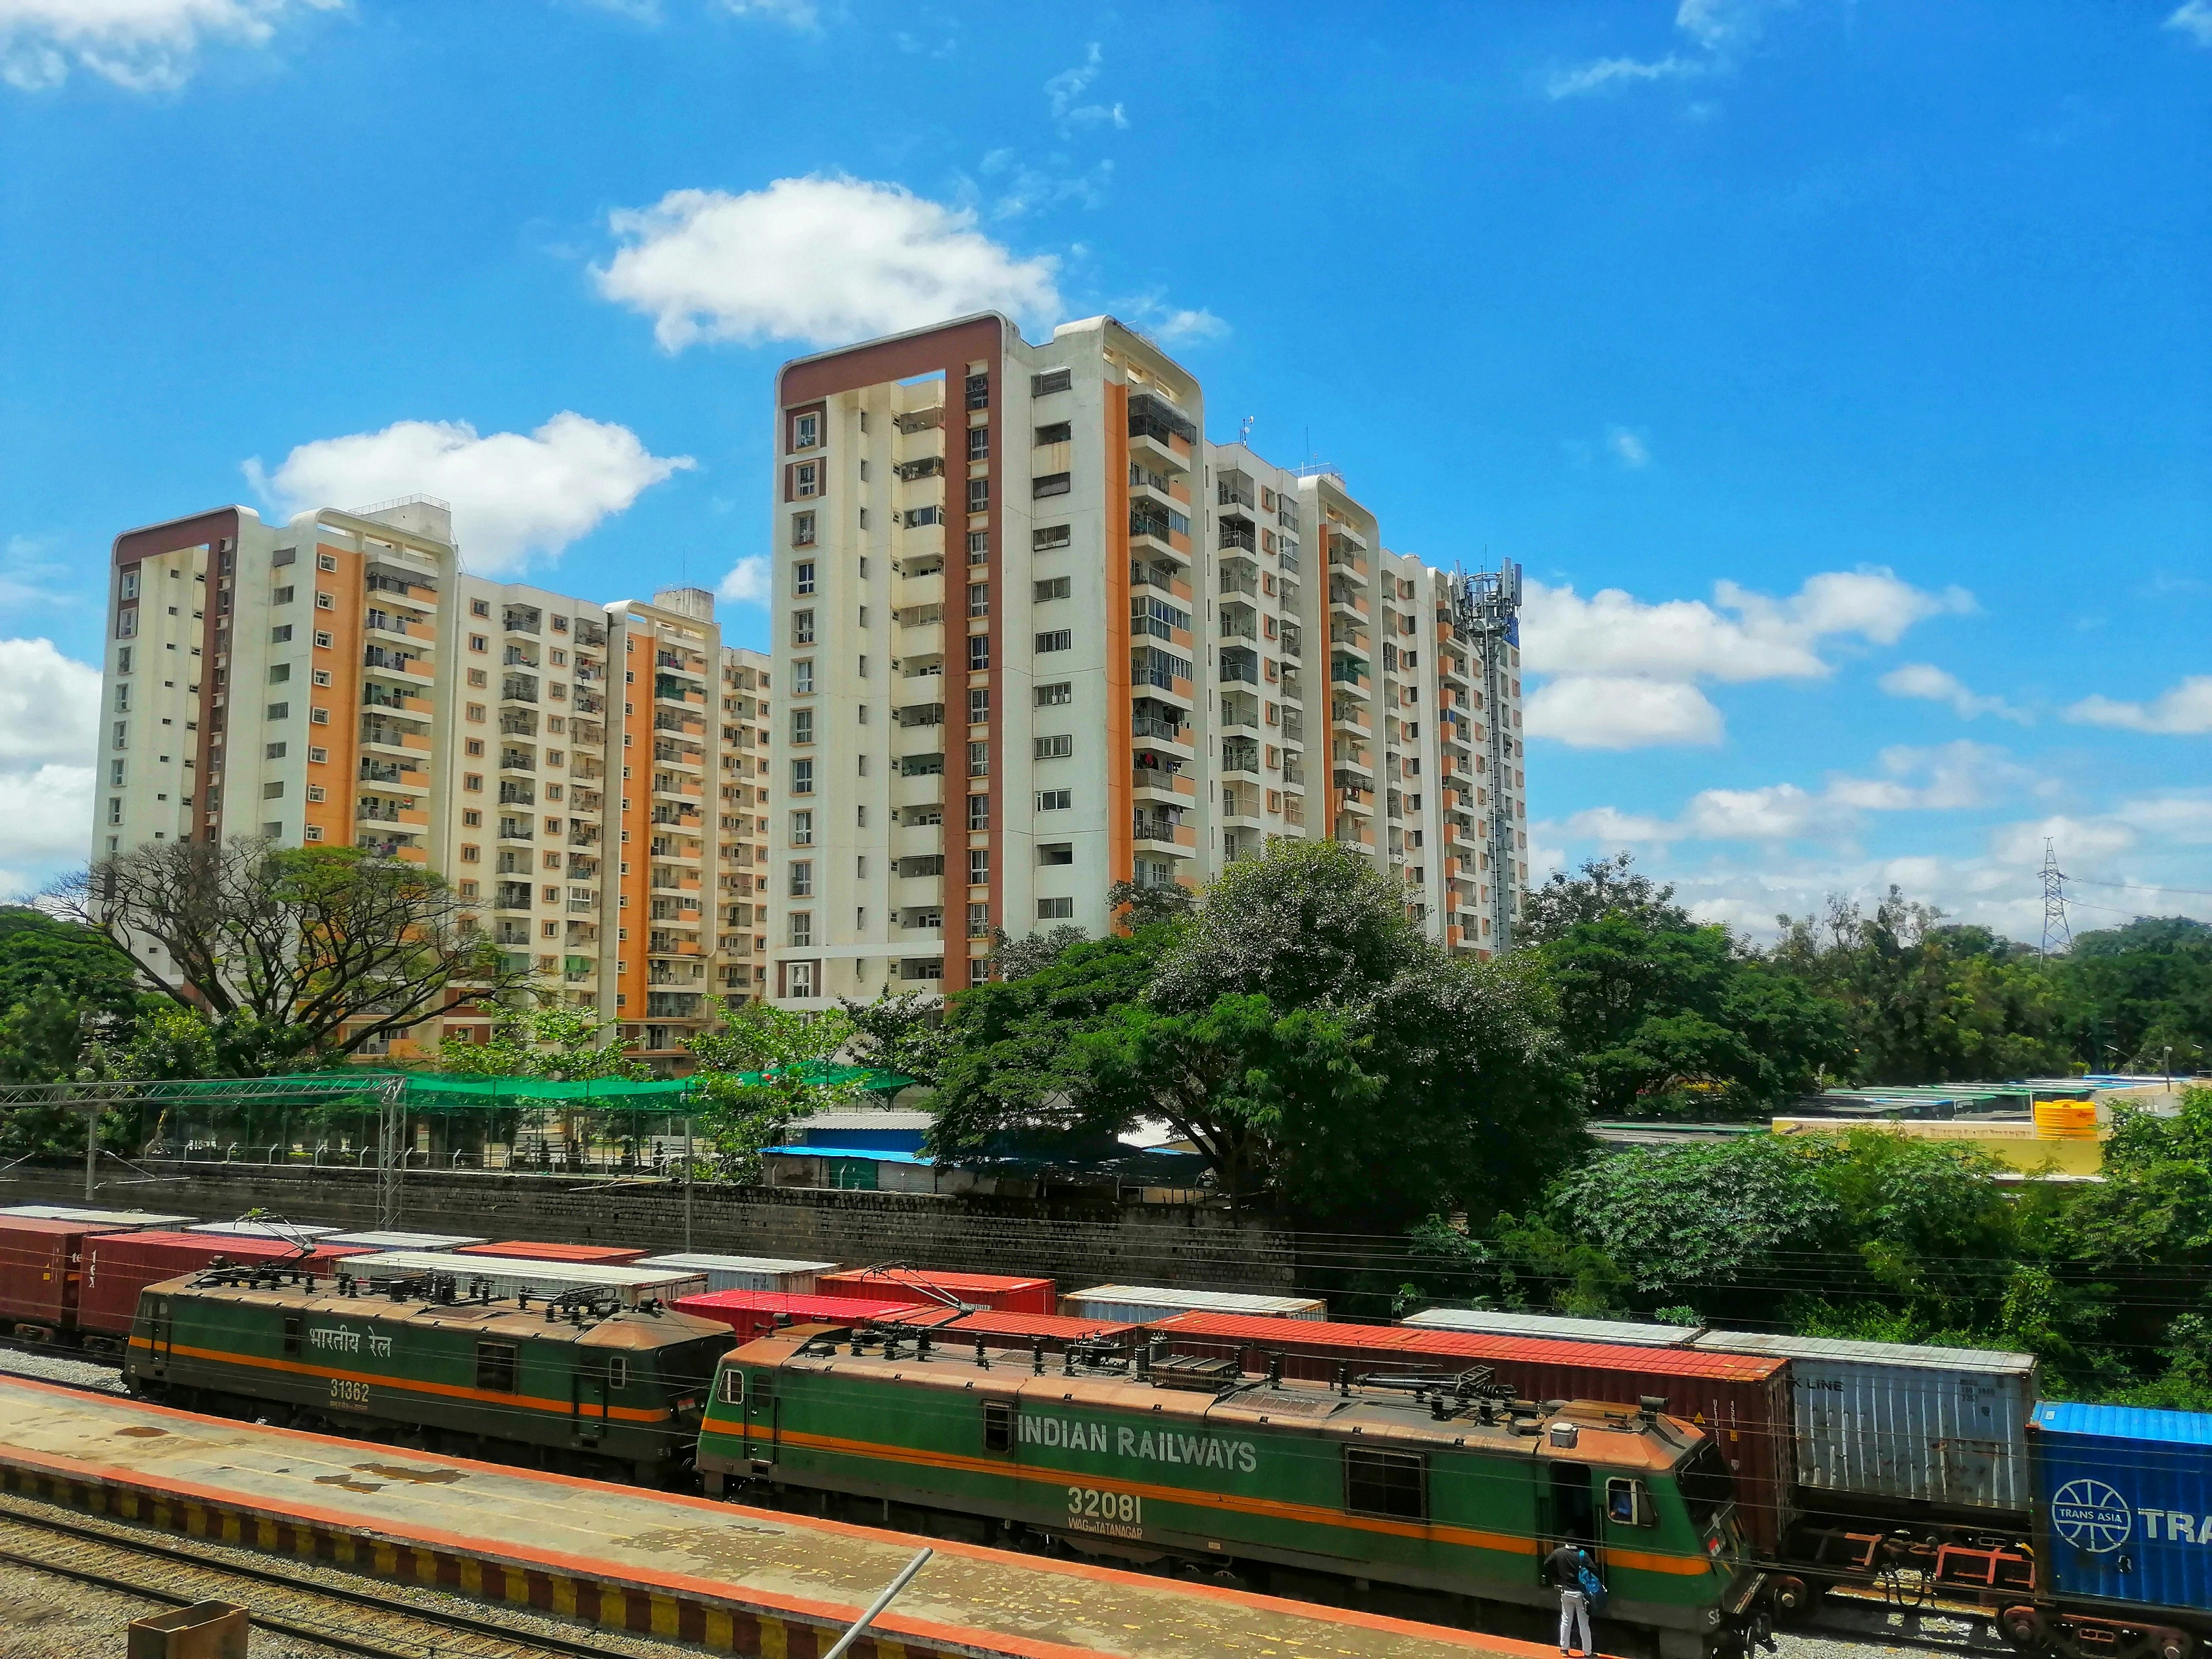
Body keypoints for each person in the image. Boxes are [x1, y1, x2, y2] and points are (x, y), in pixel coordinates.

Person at [1545, 1540, 1596, 1657]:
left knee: (1566, 1620)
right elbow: (1594, 1569)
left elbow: (1547, 1563)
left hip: (1566, 1592)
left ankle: (1564, 1649)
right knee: (1583, 1623)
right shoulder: (1582, 1555)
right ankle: (1588, 1653)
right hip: (1580, 1593)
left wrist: (1557, 1578)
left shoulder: (1558, 1553)